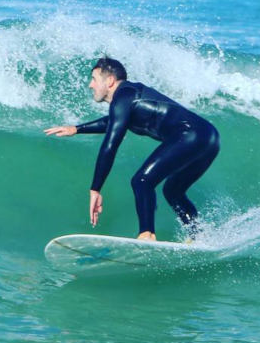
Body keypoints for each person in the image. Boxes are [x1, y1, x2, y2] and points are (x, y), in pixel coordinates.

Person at [44, 57, 219, 241]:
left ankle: (147, 234)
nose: (90, 85)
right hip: (208, 136)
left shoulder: (123, 95)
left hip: (190, 134)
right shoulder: (128, 97)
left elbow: (110, 145)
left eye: (94, 79)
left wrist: (95, 189)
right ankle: (198, 236)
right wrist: (77, 129)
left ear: (110, 80)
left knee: (142, 180)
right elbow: (111, 122)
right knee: (172, 191)